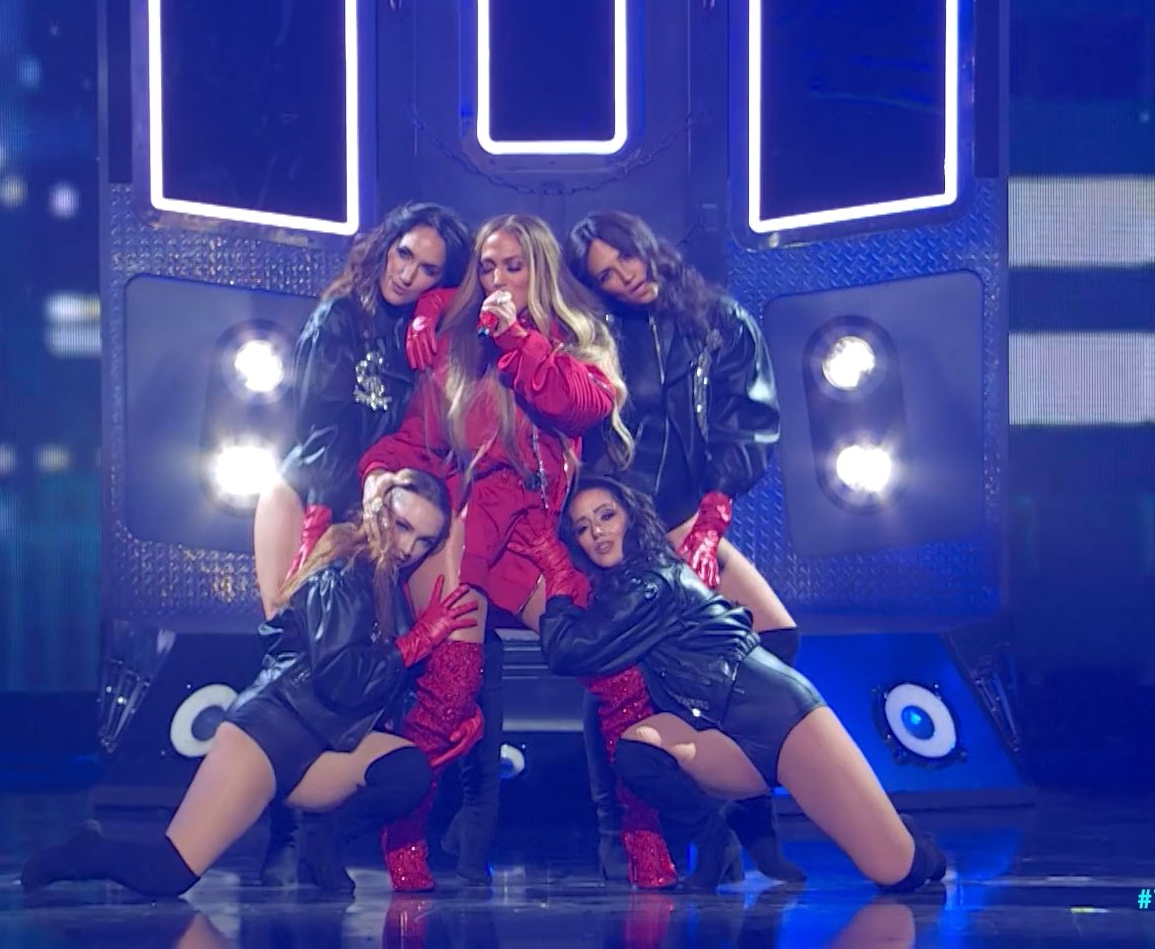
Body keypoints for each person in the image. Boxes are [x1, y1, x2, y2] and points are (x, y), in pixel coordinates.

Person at [359, 214, 683, 890]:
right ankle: (404, 840)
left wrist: (515, 338)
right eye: (487, 267)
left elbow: (579, 406)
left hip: (531, 532)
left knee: (615, 670)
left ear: (540, 270)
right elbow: (420, 438)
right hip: (463, 523)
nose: (498, 280)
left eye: (514, 265)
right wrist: (380, 476)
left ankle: (641, 836)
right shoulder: (456, 348)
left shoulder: (573, 340)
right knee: (449, 687)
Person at [21, 468, 480, 897]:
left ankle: (322, 843)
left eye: (425, 540)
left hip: (328, 743)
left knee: (407, 770)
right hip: (270, 734)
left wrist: (454, 714)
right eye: (402, 526)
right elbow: (341, 678)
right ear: (378, 512)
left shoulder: (385, 585)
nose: (409, 548)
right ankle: (86, 853)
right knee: (168, 875)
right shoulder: (344, 572)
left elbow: (379, 685)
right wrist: (421, 639)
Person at [245, 201, 500, 885]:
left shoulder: (426, 330)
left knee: (390, 660)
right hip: (317, 496)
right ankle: (285, 833)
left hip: (385, 509)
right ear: (385, 246)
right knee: (295, 662)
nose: (408, 274)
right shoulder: (339, 318)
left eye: (429, 270)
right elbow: (321, 431)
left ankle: (368, 823)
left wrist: (428, 312)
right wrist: (326, 522)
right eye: (403, 254)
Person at [542, 477, 950, 895]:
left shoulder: (651, 583)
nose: (598, 532)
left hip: (777, 718)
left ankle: (912, 843)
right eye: (583, 527)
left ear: (631, 518)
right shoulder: (623, 588)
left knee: (898, 872)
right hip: (718, 733)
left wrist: (556, 585)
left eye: (607, 516)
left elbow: (566, 652)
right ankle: (714, 840)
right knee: (636, 751)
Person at [567, 209, 799, 883]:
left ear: (647, 246)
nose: (623, 278)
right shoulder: (599, 336)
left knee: (772, 640)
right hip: (620, 525)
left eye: (625, 259)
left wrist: (712, 516)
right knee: (619, 677)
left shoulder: (719, 321)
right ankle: (623, 830)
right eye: (604, 276)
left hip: (686, 515)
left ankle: (747, 810)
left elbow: (746, 421)